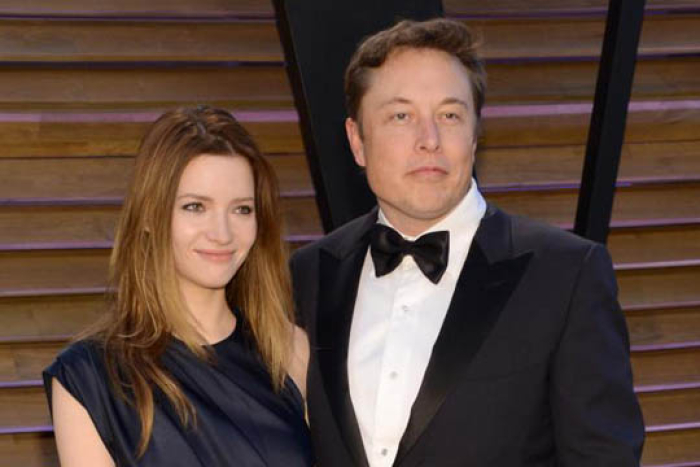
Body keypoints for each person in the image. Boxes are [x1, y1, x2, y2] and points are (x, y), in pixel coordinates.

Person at [291, 18, 645, 467]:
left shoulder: (567, 274)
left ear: (475, 137)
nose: (429, 140)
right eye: (401, 116)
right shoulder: (311, 273)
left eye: (450, 115)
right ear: (357, 140)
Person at [43, 106, 313, 467]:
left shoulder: (289, 349)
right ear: (149, 215)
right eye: (195, 207)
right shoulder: (89, 376)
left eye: (242, 209)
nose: (222, 233)